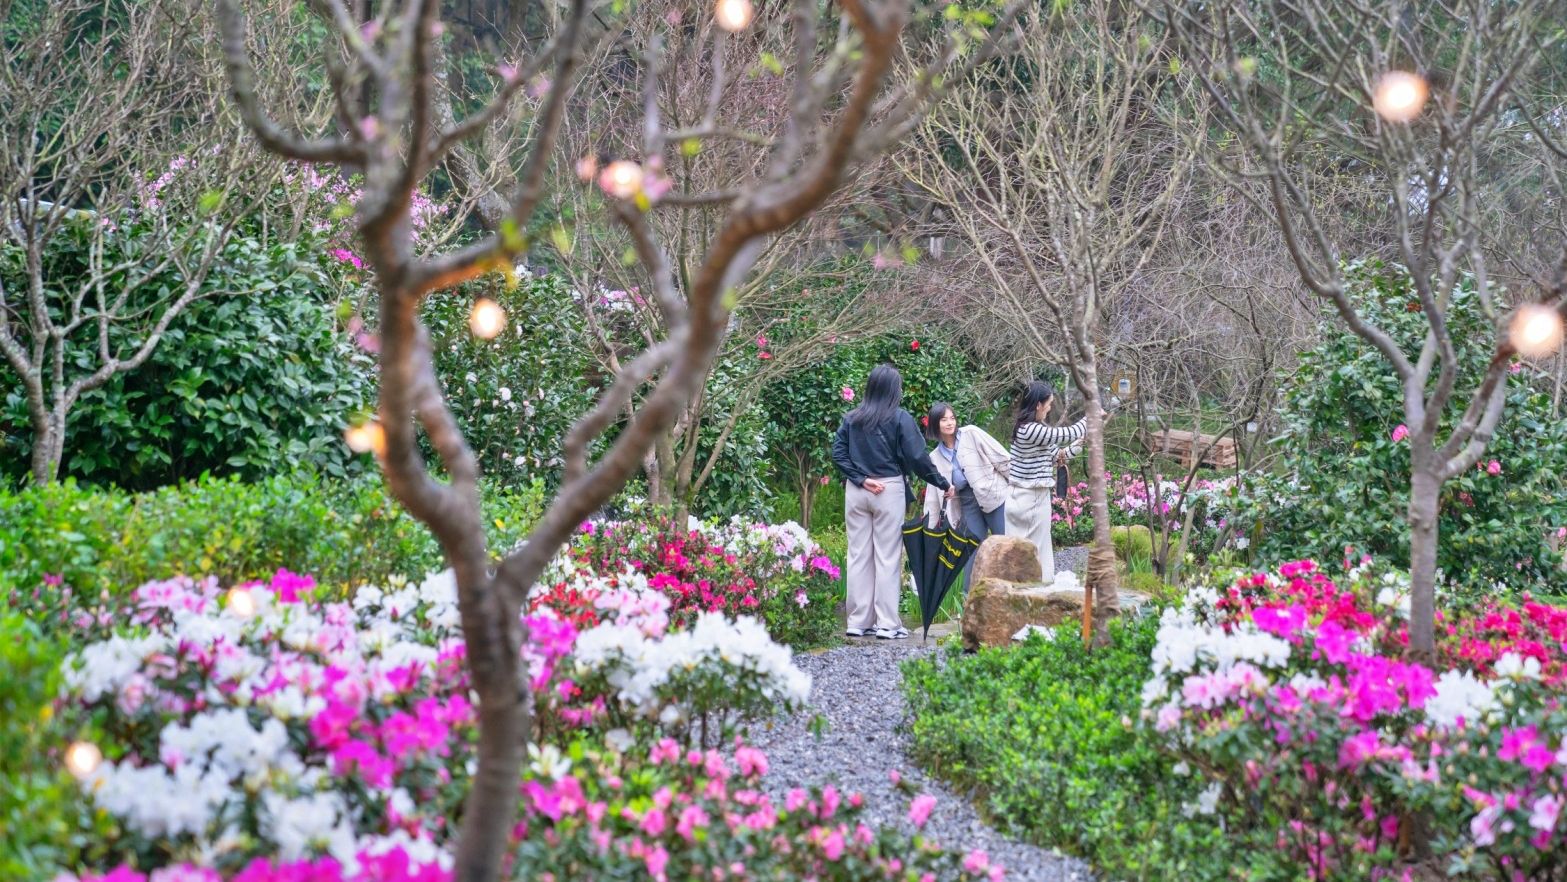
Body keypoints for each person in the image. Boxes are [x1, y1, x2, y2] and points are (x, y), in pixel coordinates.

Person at [832, 364, 954, 640]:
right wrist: (942, 483)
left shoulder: (852, 418)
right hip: (888, 490)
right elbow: (917, 457)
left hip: (857, 490)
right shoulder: (899, 418)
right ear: (893, 390)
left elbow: (838, 454)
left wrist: (862, 479)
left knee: (859, 554)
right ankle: (887, 624)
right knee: (887, 557)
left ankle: (858, 621)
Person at [1004, 381, 1093, 580]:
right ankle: (1037, 600)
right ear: (1038, 405)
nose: (1050, 407)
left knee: (1018, 558)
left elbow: (1058, 455)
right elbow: (1065, 434)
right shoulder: (1032, 430)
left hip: (1020, 499)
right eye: (1049, 403)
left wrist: (1079, 445)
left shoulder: (1027, 429)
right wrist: (1091, 417)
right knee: (1037, 557)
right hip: (1031, 500)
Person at [921, 402, 1010, 593]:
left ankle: (1013, 590)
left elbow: (1000, 456)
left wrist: (1018, 485)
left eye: (952, 418)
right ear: (935, 424)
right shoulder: (935, 456)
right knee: (970, 548)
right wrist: (930, 529)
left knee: (1004, 543)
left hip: (993, 495)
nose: (949, 423)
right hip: (967, 502)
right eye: (944, 419)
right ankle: (969, 598)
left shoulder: (971, 433)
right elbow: (932, 497)